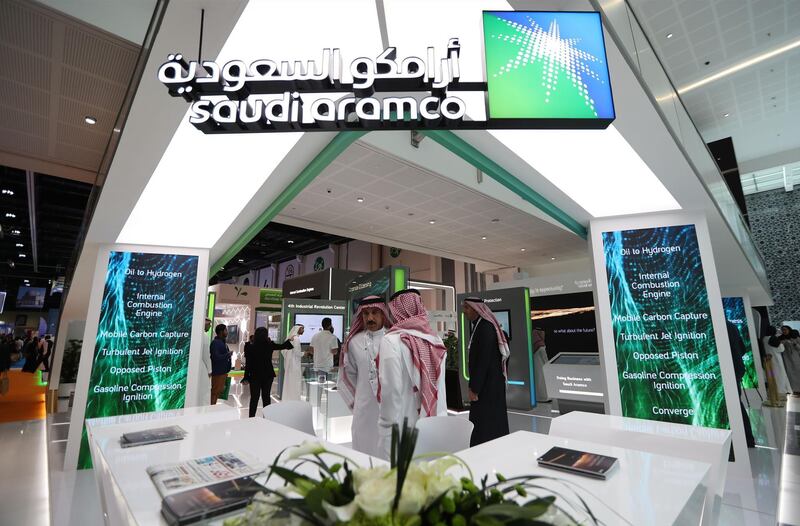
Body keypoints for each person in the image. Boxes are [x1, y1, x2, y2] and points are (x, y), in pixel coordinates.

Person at [377, 289, 447, 460]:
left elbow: (390, 390)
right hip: (435, 422)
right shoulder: (435, 340)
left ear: (398, 311)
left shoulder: (391, 340)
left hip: (402, 428)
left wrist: (385, 427)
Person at [338, 296, 391, 456]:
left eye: (375, 312)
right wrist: (360, 397)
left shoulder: (394, 339)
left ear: (383, 314)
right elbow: (349, 374)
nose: (370, 318)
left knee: (388, 451)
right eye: (366, 314)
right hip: (364, 408)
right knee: (363, 450)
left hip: (391, 407)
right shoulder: (353, 342)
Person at [462, 297, 510, 446]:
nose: (464, 312)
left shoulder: (485, 328)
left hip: (487, 386)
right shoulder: (483, 326)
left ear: (476, 309)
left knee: (486, 422)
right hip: (490, 383)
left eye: (467, 308)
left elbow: (482, 361)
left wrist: (474, 388)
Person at [245, 327, 293, 417]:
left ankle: (251, 418)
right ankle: (267, 418)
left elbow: (248, 363)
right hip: (268, 375)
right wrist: (290, 340)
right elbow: (282, 346)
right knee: (266, 397)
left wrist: (246, 376)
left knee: (254, 398)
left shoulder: (250, 346)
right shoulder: (269, 345)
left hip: (255, 375)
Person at [726, 321, 756, 448]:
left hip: (728, 370)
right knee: (736, 403)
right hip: (736, 369)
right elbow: (743, 349)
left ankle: (744, 438)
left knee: (734, 404)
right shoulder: (732, 326)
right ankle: (746, 438)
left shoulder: (713, 325)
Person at [763, 326, 792, 399]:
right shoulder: (773, 338)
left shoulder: (764, 339)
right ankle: (781, 392)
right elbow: (781, 349)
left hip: (768, 360)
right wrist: (782, 344)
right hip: (776, 360)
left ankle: (773, 391)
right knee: (780, 375)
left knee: (771, 376)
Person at [210, 324, 232, 405]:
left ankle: (212, 408)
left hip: (222, 372)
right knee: (215, 392)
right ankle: (210, 410)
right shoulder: (215, 343)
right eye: (226, 330)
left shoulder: (222, 342)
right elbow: (215, 357)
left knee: (218, 392)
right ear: (221, 332)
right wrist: (228, 354)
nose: (227, 332)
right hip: (218, 373)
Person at [281, 325, 305, 401]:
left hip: (289, 364)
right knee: (295, 382)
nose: (303, 330)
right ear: (298, 329)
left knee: (289, 382)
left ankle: (288, 399)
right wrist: (305, 353)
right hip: (295, 365)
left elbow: (283, 351)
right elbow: (297, 353)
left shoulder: (291, 339)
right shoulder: (296, 339)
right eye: (302, 329)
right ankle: (294, 400)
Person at [779, 325, 800, 394]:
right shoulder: (780, 339)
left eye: (785, 329)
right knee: (790, 375)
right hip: (786, 360)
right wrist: (782, 343)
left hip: (796, 359)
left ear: (789, 330)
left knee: (798, 373)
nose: (784, 331)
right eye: (783, 330)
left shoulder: (796, 338)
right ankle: (793, 389)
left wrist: (794, 343)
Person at [532, 328, 550, 403]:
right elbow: (544, 357)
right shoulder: (541, 345)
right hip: (542, 366)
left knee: (538, 381)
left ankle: (540, 397)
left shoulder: (534, 344)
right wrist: (548, 365)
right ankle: (544, 397)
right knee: (542, 382)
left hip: (536, 366)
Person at [199, 318, 213, 405]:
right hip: (202, 368)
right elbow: (206, 355)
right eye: (209, 324)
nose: (210, 326)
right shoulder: (204, 336)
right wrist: (209, 370)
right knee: (204, 392)